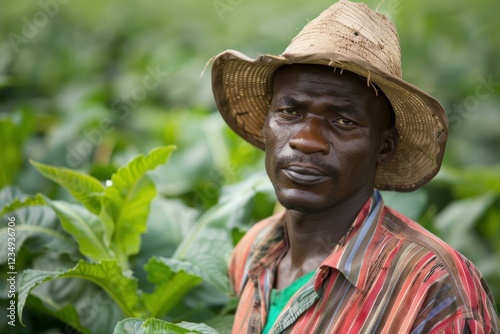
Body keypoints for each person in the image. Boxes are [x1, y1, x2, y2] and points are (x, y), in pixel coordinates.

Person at [209, 0, 500, 333]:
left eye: (343, 120)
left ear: (384, 146)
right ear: (266, 124)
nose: (306, 140)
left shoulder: (432, 286)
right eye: (290, 112)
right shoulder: (252, 251)